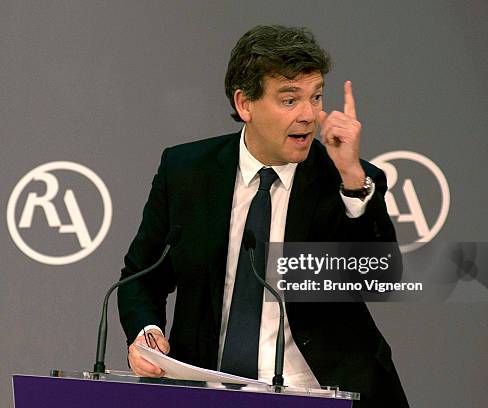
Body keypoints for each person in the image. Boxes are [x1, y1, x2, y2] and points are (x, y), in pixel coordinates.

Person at [118, 25, 409, 407]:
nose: (309, 115)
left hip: (320, 391)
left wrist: (352, 179)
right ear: (245, 105)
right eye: (290, 100)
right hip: (209, 389)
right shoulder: (186, 171)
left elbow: (379, 277)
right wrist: (146, 333)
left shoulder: (345, 178)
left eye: (316, 97)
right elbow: (141, 276)